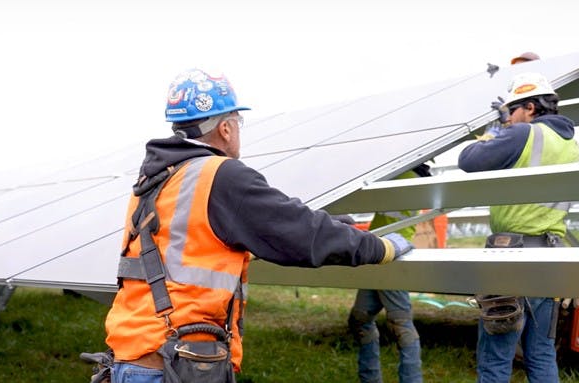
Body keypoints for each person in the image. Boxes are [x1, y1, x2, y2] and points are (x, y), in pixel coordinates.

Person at [102, 68, 414, 383]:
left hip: (133, 359)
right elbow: (300, 234)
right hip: (171, 365)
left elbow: (205, 242)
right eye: (238, 122)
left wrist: (333, 223)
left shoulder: (157, 179)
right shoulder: (222, 176)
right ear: (225, 128)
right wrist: (379, 247)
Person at [458, 72, 579, 383]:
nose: (508, 118)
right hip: (551, 258)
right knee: (541, 352)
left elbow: (468, 160)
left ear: (529, 108)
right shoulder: (570, 144)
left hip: (509, 257)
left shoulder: (524, 133)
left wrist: (493, 132)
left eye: (510, 111)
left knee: (496, 357)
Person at [348, 164, 430, 383]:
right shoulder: (418, 179)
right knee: (360, 321)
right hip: (381, 251)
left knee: (401, 325)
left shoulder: (401, 174)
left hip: (389, 252)